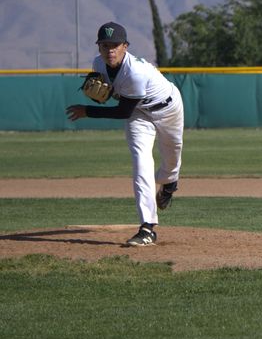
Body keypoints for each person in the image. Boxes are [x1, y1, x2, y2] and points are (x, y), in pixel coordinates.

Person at [66, 22, 184, 247]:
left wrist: (87, 111)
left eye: (115, 45)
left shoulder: (136, 71)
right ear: (99, 47)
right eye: (104, 45)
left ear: (125, 46)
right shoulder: (98, 63)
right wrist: (95, 95)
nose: (109, 49)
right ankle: (147, 228)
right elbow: (106, 94)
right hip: (139, 116)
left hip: (167, 108)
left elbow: (122, 110)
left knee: (172, 158)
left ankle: (170, 183)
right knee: (141, 164)